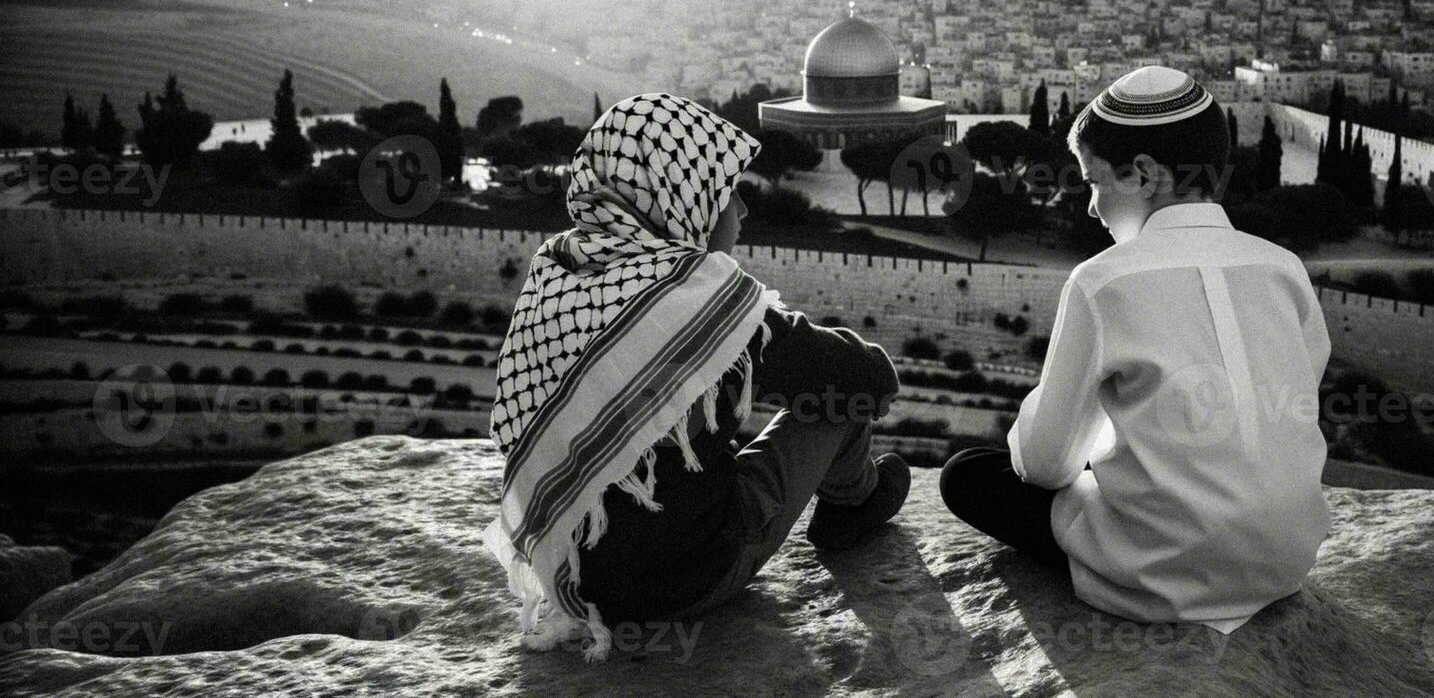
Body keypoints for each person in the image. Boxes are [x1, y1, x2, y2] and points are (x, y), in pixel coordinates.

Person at [484, 94, 908, 662]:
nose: (743, 211)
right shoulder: (702, 302)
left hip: (581, 580)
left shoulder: (557, 276)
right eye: (729, 192)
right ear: (686, 202)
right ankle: (856, 502)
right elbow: (866, 382)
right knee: (835, 405)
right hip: (690, 579)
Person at [939, 67, 1331, 635]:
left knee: (968, 474)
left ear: (1145, 174)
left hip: (1166, 571)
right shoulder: (1284, 268)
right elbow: (1294, 398)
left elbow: (1046, 464)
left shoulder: (1104, 281)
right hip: (1286, 562)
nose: (1093, 207)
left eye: (1094, 182)